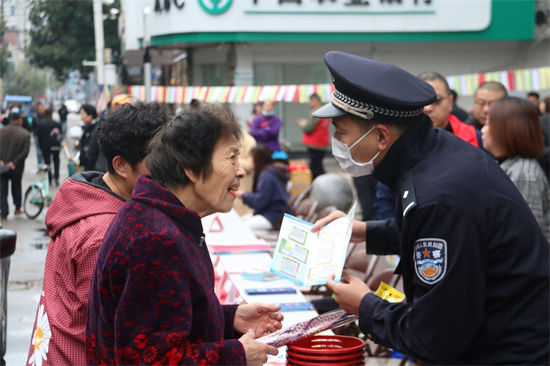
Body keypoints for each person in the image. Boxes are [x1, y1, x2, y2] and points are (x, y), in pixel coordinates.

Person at [310, 51, 548, 364]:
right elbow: (428, 227)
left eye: (341, 133)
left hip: (505, 352)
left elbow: (435, 334)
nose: (336, 142)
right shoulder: (435, 151)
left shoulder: (437, 195)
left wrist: (366, 306)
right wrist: (364, 231)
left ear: (381, 136)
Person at [87, 104, 282, 365]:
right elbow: (150, 359)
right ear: (190, 167)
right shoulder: (155, 240)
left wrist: (229, 318)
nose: (241, 170)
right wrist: (237, 354)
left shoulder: (164, 219)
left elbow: (168, 322)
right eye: (231, 157)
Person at [26, 103, 170, 366]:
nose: (169, 171)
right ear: (121, 165)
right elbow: (118, 335)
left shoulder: (86, 200)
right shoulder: (105, 233)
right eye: (159, 161)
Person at [481, 97, 550, 242]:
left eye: (488, 123)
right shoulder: (512, 165)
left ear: (506, 131)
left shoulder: (524, 173)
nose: (482, 130)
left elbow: (528, 236)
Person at [235, 146, 290, 230]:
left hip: (272, 216)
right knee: (238, 222)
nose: (250, 161)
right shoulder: (271, 171)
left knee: (240, 228)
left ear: (258, 159)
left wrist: (244, 195)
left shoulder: (266, 175)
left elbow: (261, 201)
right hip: (274, 213)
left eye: (252, 158)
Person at [87, 94, 134, 173]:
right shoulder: (102, 126)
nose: (121, 110)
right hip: (104, 172)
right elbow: (92, 151)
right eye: (118, 106)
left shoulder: (136, 129)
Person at [0, 112, 31, 220]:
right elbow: (25, 152)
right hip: (16, 167)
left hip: (2, 166)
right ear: (19, 120)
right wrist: (14, 162)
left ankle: (4, 212)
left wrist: (1, 161)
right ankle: (17, 208)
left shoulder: (1, 131)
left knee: (2, 188)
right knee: (16, 186)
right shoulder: (25, 134)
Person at [297, 93, 331, 179]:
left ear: (314, 101)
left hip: (314, 143)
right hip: (322, 142)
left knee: (315, 168)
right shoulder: (325, 110)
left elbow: (308, 128)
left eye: (310, 101)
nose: (309, 104)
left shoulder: (316, 111)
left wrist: (302, 124)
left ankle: (323, 184)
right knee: (317, 165)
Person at [37, 108, 62, 186]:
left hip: (45, 146)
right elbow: (60, 135)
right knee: (56, 161)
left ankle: (49, 180)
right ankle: (56, 178)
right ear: (51, 113)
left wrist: (41, 147)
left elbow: (39, 137)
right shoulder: (56, 123)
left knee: (47, 163)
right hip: (55, 146)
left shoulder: (41, 124)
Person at [78, 104, 99, 171]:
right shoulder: (87, 127)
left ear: (90, 115)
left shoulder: (96, 128)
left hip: (93, 166)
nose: (81, 116)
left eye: (83, 113)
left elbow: (93, 149)